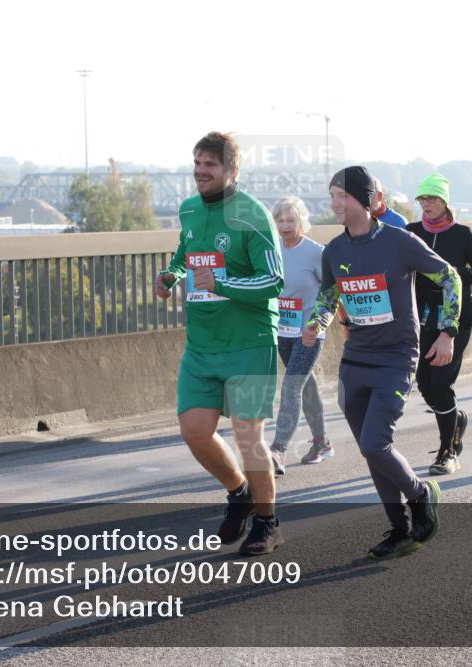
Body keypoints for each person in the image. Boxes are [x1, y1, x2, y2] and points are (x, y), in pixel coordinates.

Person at [303, 165, 462, 561]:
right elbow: (328, 296)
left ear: (366, 199)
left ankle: (422, 494)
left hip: (396, 358)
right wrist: (317, 322)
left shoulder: (399, 242)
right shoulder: (335, 251)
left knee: (376, 442)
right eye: (332, 196)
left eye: (342, 196)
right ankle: (399, 529)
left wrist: (448, 331)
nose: (335, 203)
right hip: (355, 360)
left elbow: (450, 277)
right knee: (372, 451)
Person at [156, 131, 284, 555]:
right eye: (196, 162)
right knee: (194, 431)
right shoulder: (190, 209)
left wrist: (224, 283)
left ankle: (267, 522)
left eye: (210, 164)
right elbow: (185, 253)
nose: (200, 171)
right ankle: (239, 492)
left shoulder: (253, 215)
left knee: (248, 438)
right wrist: (172, 275)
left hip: (249, 342)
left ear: (231, 170)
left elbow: (275, 280)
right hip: (202, 343)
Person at [406, 173, 472, 475]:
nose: (426, 204)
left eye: (431, 199)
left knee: (441, 383)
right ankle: (456, 421)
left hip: (456, 318)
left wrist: (452, 272)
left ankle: (447, 452)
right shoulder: (411, 231)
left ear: (444, 203)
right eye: (422, 199)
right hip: (422, 317)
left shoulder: (463, 234)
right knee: (425, 385)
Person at [268, 197, 331, 475]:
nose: (285, 226)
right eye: (280, 221)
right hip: (282, 330)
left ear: (302, 222)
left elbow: (331, 294)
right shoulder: (271, 250)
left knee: (292, 386)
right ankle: (321, 442)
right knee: (306, 386)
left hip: (309, 332)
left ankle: (278, 449)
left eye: (291, 220)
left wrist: (318, 322)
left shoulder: (316, 253)